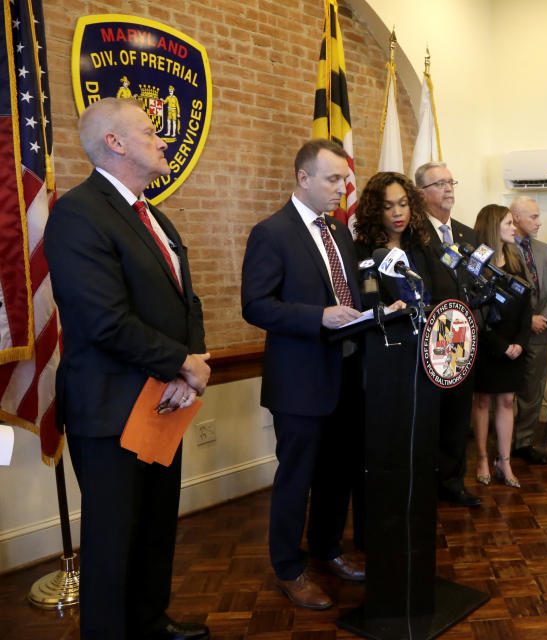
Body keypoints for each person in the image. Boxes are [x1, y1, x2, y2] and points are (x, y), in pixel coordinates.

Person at [44, 97, 211, 640]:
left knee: (156, 528)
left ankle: (150, 622)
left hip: (165, 401)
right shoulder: (77, 212)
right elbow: (102, 320)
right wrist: (182, 362)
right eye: (149, 130)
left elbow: (188, 301)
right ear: (114, 142)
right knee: (113, 543)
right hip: (111, 411)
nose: (162, 140)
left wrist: (191, 370)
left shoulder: (153, 214)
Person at [241, 139, 374, 610]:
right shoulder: (271, 232)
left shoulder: (340, 234)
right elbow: (255, 305)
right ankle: (288, 568)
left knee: (338, 474)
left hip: (346, 375)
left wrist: (382, 308)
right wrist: (317, 316)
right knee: (297, 477)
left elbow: (351, 298)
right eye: (333, 179)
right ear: (303, 178)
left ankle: (327, 549)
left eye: (344, 179)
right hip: (300, 381)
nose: (343, 187)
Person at [415, 161, 482, 507]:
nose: (448, 188)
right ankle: (427, 483)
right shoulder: (416, 237)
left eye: (450, 181)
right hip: (431, 339)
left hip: (464, 337)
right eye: (439, 183)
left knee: (458, 414)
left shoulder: (467, 234)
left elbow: (476, 283)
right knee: (432, 414)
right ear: (422, 193)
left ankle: (453, 480)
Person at [471, 205, 532, 489]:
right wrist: (500, 346)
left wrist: (519, 342)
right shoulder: (476, 265)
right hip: (488, 345)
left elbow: (526, 308)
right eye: (508, 223)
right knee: (482, 401)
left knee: (507, 401)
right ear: (493, 226)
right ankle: (482, 458)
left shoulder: (516, 259)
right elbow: (475, 314)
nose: (514, 228)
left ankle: (504, 461)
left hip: (514, 344)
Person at [510, 196, 547, 465]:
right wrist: (527, 319)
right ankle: (503, 442)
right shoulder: (501, 249)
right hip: (511, 332)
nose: (539, 222)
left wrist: (544, 318)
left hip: (540, 331)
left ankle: (524, 441)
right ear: (515, 217)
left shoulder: (545, 250)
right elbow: (503, 292)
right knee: (506, 392)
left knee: (534, 390)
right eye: (534, 217)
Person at [354, 171, 435, 305]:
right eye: (388, 207)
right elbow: (365, 304)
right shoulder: (363, 252)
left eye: (403, 204)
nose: (397, 213)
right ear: (375, 210)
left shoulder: (422, 245)